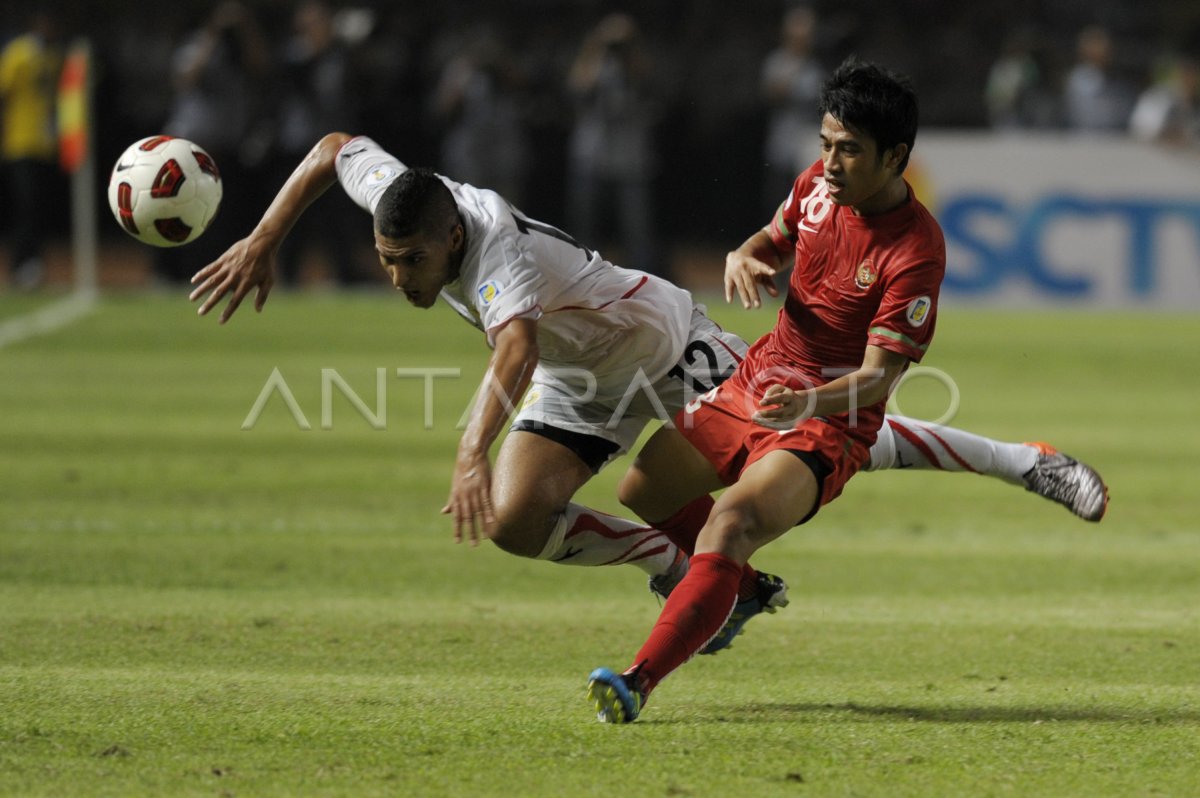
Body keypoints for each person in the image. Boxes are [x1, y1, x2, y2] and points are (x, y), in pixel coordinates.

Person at [188, 125, 1107, 662]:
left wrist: (468, 449)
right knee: (516, 521)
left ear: (450, 240)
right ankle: (687, 578)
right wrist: (266, 237)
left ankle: (1023, 462)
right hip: (580, 380)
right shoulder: (406, 200)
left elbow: (511, 348)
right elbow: (336, 147)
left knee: (836, 425)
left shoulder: (496, 246)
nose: (398, 278)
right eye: (387, 263)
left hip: (666, 349)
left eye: (413, 263)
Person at [584, 58, 1061, 723]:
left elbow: (879, 378)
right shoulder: (817, 186)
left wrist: (807, 404)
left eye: (850, 151)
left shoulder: (916, 250)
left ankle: (638, 679)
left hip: (827, 421)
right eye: (826, 145)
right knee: (643, 490)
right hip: (759, 380)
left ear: (895, 158)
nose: (832, 163)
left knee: (731, 522)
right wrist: (743, 256)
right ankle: (739, 592)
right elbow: (772, 242)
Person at [0, 10, 63, 289]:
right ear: (39, 23)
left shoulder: (54, 56)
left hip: (46, 145)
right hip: (21, 142)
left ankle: (32, 265)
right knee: (25, 207)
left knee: (39, 208)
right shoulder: (18, 53)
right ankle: (21, 265)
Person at [759, 6, 825, 216]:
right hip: (780, 145)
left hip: (806, 147)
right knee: (777, 202)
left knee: (805, 204)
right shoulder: (777, 61)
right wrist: (797, 68)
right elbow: (773, 93)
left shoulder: (815, 68)